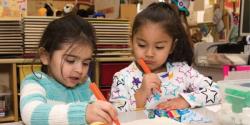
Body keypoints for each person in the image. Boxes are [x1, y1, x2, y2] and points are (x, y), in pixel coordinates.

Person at [109, 2, 221, 112]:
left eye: (159, 47)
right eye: (142, 45)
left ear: (172, 46)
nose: (149, 53)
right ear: (131, 42)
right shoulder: (122, 78)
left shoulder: (182, 71)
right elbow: (115, 115)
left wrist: (185, 100)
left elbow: (218, 91)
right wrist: (140, 96)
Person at [20, 14, 118, 125]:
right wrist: (83, 113)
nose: (80, 70)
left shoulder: (85, 84)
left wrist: (103, 113)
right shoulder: (35, 82)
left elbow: (97, 113)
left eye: (85, 63)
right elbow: (30, 114)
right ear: (45, 56)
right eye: (70, 61)